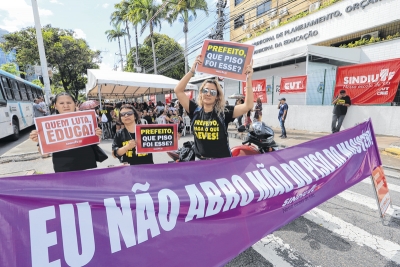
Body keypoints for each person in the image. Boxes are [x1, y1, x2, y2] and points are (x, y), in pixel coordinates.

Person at [174, 55, 254, 159]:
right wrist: (192, 72)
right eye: (205, 91)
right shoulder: (194, 110)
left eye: (213, 92)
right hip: (200, 161)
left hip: (221, 163)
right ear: (201, 93)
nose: (208, 94)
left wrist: (248, 79)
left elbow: (248, 105)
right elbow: (178, 90)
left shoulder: (224, 112)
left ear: (217, 97)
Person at [29, 92, 103, 173]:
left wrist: (98, 135)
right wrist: (40, 140)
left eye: (69, 102)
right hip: (63, 168)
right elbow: (45, 154)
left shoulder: (86, 120)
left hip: (87, 165)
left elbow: (96, 143)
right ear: (55, 106)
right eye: (61, 103)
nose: (66, 106)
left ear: (75, 104)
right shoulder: (47, 125)